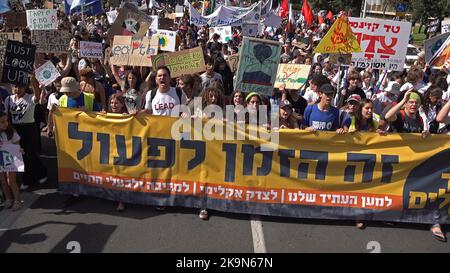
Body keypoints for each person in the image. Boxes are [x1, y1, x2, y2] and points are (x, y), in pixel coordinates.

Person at [342, 99, 384, 229]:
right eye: (367, 108)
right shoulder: (351, 120)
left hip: (366, 161)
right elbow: (343, 135)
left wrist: (381, 134)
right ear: (360, 109)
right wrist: (342, 132)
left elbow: (378, 138)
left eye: (371, 108)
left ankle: (357, 216)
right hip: (350, 159)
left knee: (362, 188)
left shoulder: (375, 124)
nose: (370, 111)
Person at [5, 79, 47, 190]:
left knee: (31, 153)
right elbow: (6, 115)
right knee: (20, 155)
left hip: (29, 128)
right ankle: (27, 179)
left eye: (20, 87)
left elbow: (37, 97)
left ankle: (41, 173)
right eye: (15, 87)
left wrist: (33, 78)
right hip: (15, 128)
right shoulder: (9, 99)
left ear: (25, 87)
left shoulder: (30, 98)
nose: (17, 89)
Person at [107, 94, 128, 212]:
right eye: (111, 103)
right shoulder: (105, 116)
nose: (113, 105)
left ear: (122, 104)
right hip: (108, 149)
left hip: (122, 150)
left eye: (116, 103)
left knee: (120, 175)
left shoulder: (126, 117)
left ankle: (121, 201)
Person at [0, 112, 22, 211]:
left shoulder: (11, 132)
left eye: (6, 121)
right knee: (3, 181)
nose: (5, 124)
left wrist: (19, 149)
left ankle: (17, 201)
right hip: (1, 160)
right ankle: (8, 199)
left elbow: (17, 144)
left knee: (11, 181)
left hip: (10, 158)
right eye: (2, 122)